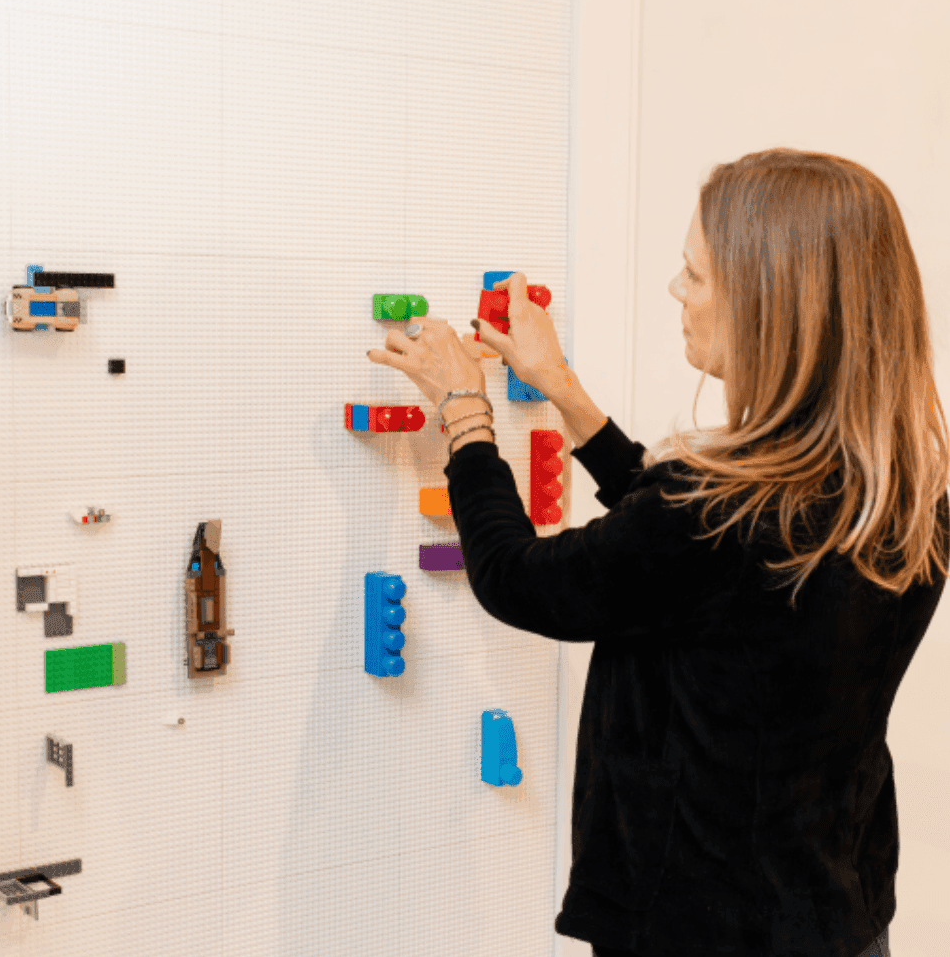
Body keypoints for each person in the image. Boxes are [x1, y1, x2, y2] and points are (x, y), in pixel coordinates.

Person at [366, 148, 949, 957]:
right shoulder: (904, 493)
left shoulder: (711, 514)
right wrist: (563, 390)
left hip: (700, 930)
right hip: (839, 913)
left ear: (766, 306)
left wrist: (464, 411)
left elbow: (521, 581)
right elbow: (697, 565)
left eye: (695, 274)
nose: (676, 291)